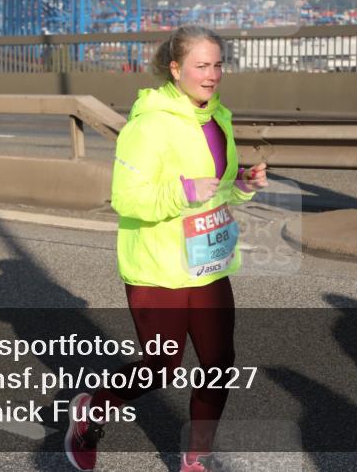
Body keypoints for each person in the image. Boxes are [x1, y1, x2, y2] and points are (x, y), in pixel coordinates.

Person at [65, 26, 268, 472]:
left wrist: (242, 185)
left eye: (217, 65)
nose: (212, 75)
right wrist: (183, 191)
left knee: (219, 363)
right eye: (201, 65)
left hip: (207, 261)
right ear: (175, 69)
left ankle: (195, 458)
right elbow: (127, 198)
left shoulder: (218, 118)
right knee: (161, 365)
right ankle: (93, 409)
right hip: (158, 266)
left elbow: (214, 191)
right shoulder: (148, 125)